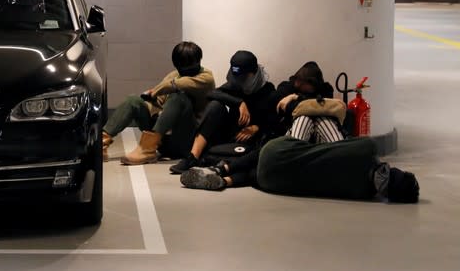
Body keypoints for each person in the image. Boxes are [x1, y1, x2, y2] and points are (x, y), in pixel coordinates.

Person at [180, 60, 345, 190]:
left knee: (313, 117)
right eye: (297, 82)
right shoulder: (285, 87)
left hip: (312, 143)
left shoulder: (323, 90)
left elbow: (327, 108)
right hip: (290, 138)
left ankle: (222, 173)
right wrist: (240, 103)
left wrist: (295, 98)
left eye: (302, 84)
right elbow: (281, 108)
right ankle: (220, 178)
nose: (297, 86)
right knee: (262, 161)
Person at [101, 41, 215, 165]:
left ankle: (146, 150)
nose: (186, 70)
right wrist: (150, 100)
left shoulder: (206, 77)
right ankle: (101, 144)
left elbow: (178, 84)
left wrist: (155, 91)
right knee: (133, 101)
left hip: (188, 141)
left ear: (199, 61)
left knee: (179, 97)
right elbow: (160, 100)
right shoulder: (174, 75)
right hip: (164, 140)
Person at [169, 50, 276, 174]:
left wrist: (257, 127)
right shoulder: (236, 85)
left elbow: (274, 121)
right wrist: (239, 102)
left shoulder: (268, 90)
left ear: (254, 73)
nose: (240, 82)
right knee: (216, 105)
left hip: (249, 139)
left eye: (244, 78)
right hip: (229, 133)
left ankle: (215, 163)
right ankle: (193, 157)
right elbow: (212, 93)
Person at [256, 136, 419, 203]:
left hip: (275, 149)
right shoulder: (362, 194)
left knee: (313, 123)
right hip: (269, 182)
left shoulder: (368, 147)